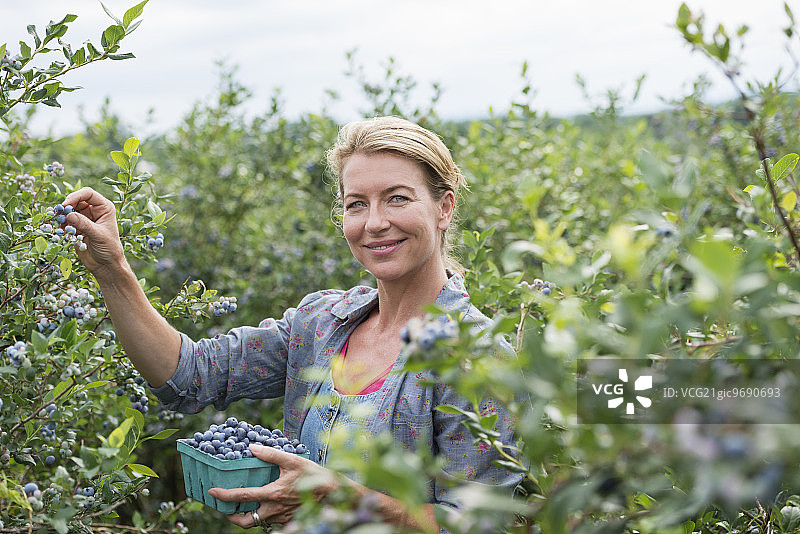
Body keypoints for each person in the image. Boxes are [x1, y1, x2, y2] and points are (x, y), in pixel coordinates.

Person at [62, 116, 523, 532]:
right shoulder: (319, 325)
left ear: (444, 207)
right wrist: (113, 270)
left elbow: (480, 525)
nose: (375, 222)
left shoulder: (476, 356)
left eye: (397, 198)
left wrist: (340, 496)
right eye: (356, 204)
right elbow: (188, 376)